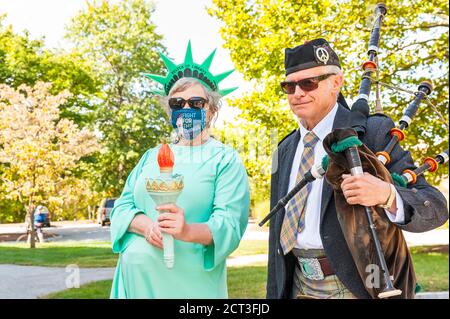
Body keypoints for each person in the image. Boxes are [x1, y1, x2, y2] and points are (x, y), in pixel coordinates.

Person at [267, 38, 448, 299]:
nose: (297, 93)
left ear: (336, 82)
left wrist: (387, 194)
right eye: (289, 85)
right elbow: (277, 233)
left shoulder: (372, 134)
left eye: (309, 83)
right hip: (297, 284)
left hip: (357, 287)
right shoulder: (284, 149)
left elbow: (436, 207)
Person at [109, 42, 250, 299]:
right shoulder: (151, 157)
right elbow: (122, 207)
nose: (186, 109)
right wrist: (145, 226)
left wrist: (185, 231)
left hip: (190, 289)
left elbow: (228, 225)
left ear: (212, 109)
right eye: (177, 103)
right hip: (136, 287)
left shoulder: (224, 159)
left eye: (196, 103)